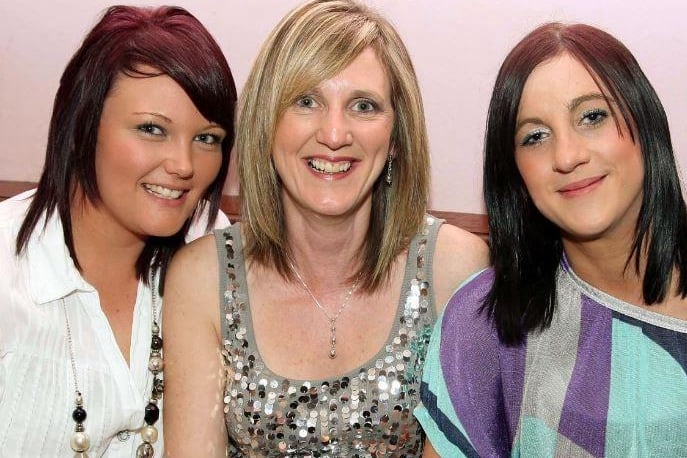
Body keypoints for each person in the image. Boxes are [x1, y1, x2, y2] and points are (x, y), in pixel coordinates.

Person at [162, 0, 488, 456]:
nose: (334, 134)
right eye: (306, 101)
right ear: (266, 125)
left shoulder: (455, 270)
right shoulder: (203, 280)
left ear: (395, 138)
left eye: (363, 105)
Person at [416, 21, 687, 457]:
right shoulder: (487, 324)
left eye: (592, 116)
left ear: (644, 121)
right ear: (515, 172)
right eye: (535, 136)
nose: (567, 155)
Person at [0, 5, 236, 457]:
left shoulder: (210, 251)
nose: (184, 165)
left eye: (207, 138)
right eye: (152, 129)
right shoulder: (10, 270)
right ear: (81, 126)